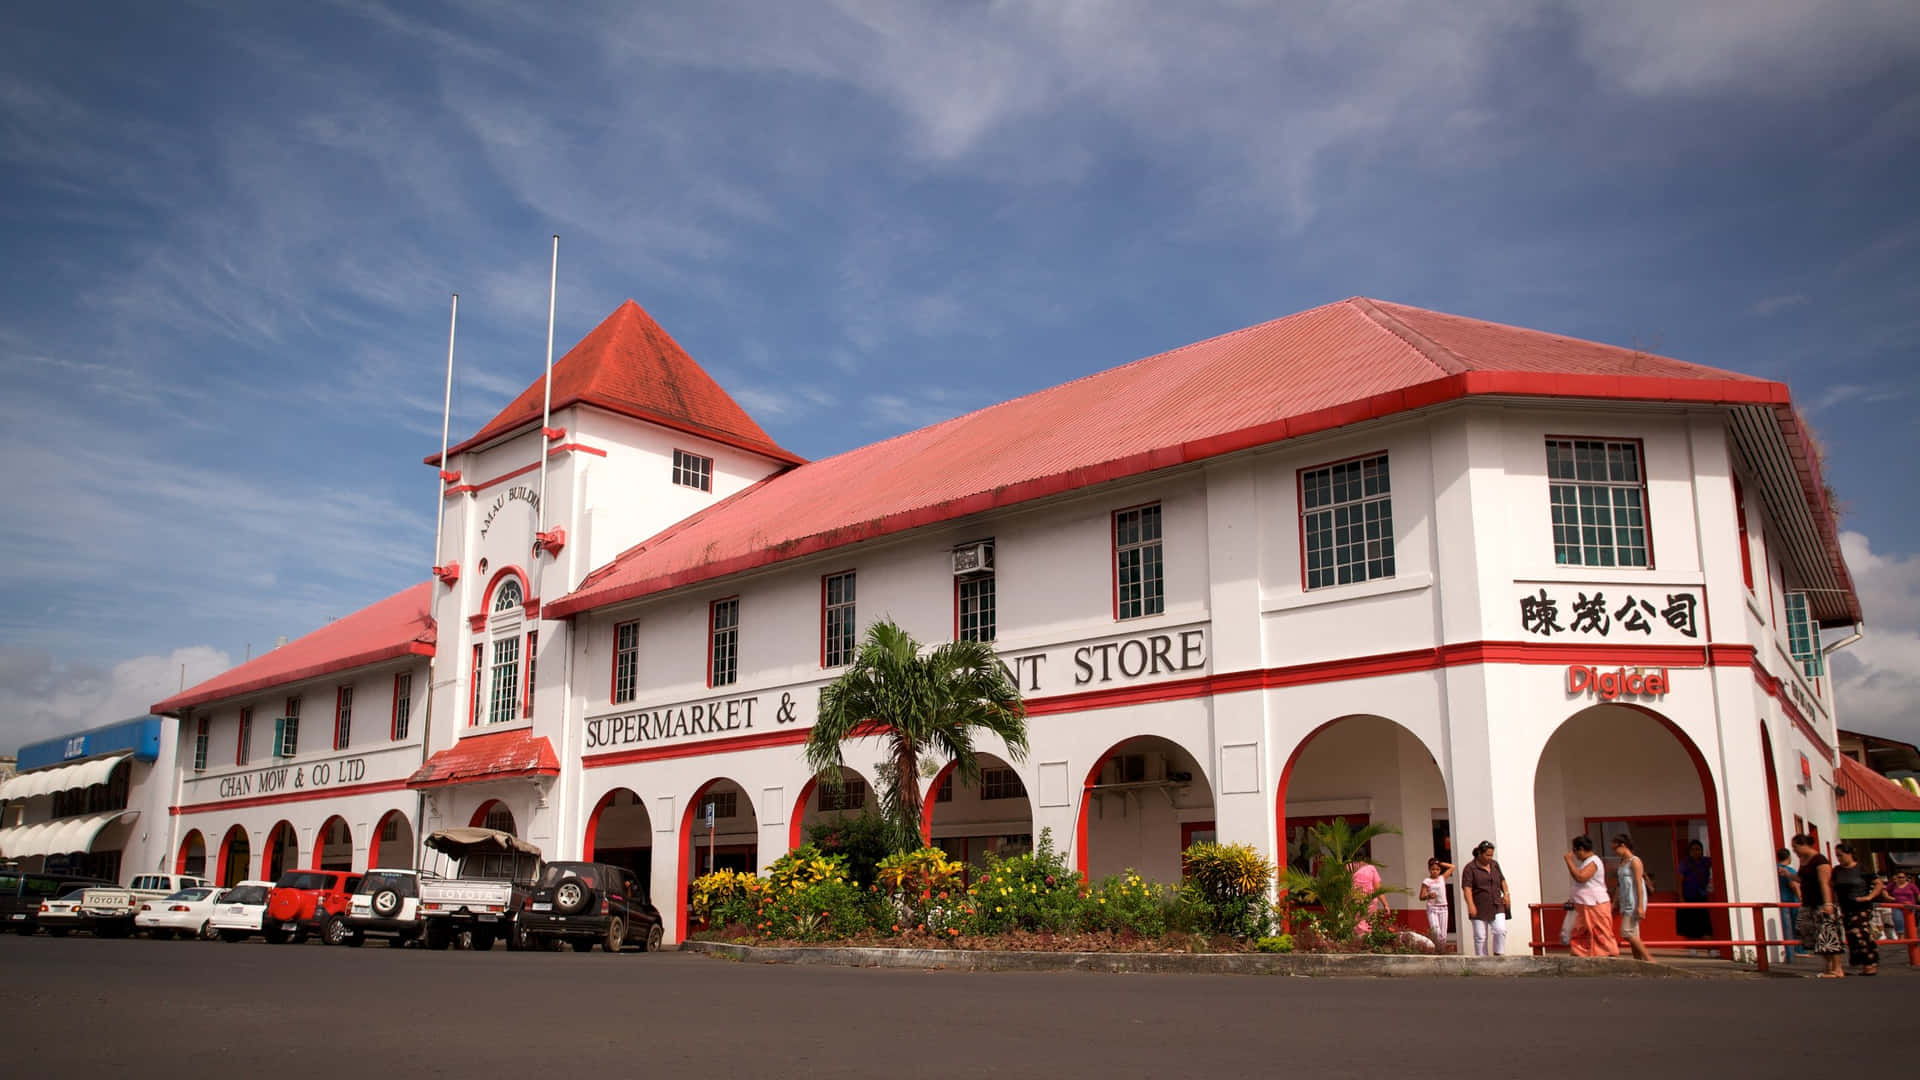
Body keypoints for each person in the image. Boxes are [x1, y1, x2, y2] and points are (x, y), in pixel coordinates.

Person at [1793, 833, 1846, 978]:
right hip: (1808, 903)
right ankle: (1829, 967)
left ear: (1804, 845)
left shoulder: (1819, 860)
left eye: (1796, 847)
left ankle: (1837, 968)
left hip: (1821, 902)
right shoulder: (1803, 860)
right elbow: (1801, 878)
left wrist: (1828, 903)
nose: (1794, 851)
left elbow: (1825, 883)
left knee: (1829, 935)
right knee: (1814, 936)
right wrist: (1787, 874)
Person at [1564, 835, 1618, 957]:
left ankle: (1609, 956)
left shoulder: (1594, 861)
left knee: (1601, 932)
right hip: (1584, 904)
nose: (1575, 855)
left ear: (1581, 849)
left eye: (1575, 851)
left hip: (1595, 904)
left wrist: (1569, 861)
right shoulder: (1587, 862)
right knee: (1582, 932)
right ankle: (1583, 954)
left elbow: (1581, 877)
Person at [1832, 843, 1881, 975]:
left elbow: (1878, 884)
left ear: (1849, 854)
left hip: (1861, 907)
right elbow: (1832, 886)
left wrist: (1869, 897)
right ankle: (1865, 965)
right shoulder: (1836, 870)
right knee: (1852, 936)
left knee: (1860, 933)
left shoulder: (1861, 868)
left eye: (1841, 855)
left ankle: (1871, 963)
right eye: (1837, 856)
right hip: (1845, 907)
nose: (1839, 858)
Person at [1461, 841, 1510, 956]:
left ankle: (1499, 954)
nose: (1490, 858)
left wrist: (1507, 894)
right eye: (1487, 855)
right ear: (1479, 854)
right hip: (1479, 906)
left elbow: (1502, 881)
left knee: (1500, 930)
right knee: (1480, 937)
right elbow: (1467, 888)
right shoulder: (1470, 868)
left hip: (1497, 904)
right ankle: (1481, 960)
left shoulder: (1494, 865)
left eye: (1491, 855)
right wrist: (1470, 905)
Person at [1612, 834, 1652, 962]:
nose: (1615, 852)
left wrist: (1640, 906)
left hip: (1634, 902)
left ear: (1623, 846)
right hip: (1625, 901)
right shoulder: (1622, 863)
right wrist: (1615, 901)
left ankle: (1649, 959)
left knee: (1626, 931)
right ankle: (1639, 962)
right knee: (1634, 934)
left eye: (1615, 848)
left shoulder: (1635, 861)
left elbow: (1639, 884)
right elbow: (1619, 884)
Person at [1676, 839, 1713, 952]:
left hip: (1701, 896)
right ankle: (1692, 948)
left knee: (1705, 922)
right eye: (1693, 849)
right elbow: (1680, 881)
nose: (1695, 852)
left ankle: (1710, 948)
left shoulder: (1706, 862)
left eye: (1698, 849)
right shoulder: (1685, 863)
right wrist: (1681, 897)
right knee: (1690, 923)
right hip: (1688, 897)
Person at [1349, 855, 1389, 936]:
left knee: (1355, 927)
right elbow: (1378, 888)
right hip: (1369, 903)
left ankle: (1356, 944)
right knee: (1368, 926)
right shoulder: (1371, 868)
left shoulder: (1348, 867)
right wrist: (1385, 904)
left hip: (1353, 902)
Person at [1419, 857, 1454, 947]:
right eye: (1432, 869)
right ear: (1429, 869)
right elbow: (1421, 897)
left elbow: (1452, 867)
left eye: (1437, 869)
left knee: (1443, 934)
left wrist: (1440, 863)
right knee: (1436, 931)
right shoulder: (1427, 881)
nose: (1435, 871)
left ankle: (1441, 951)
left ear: (1440, 870)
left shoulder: (1442, 878)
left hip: (1443, 908)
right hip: (1432, 908)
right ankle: (1437, 948)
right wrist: (1428, 896)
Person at [1776, 848, 1801, 962]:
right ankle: (1796, 951)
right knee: (1794, 927)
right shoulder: (1789, 870)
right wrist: (1801, 898)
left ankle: (1788, 953)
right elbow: (1794, 885)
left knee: (1785, 928)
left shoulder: (1775, 868)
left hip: (1780, 900)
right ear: (1789, 857)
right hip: (1791, 901)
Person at [1886, 871, 1919, 941]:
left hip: (1910, 906)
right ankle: (1901, 938)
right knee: (1898, 920)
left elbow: (1918, 894)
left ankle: (1913, 938)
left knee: (1912, 922)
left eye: (1902, 877)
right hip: (1897, 905)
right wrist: (1888, 897)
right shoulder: (1893, 885)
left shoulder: (1911, 885)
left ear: (1906, 878)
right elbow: (1884, 890)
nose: (1901, 879)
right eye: (1899, 877)